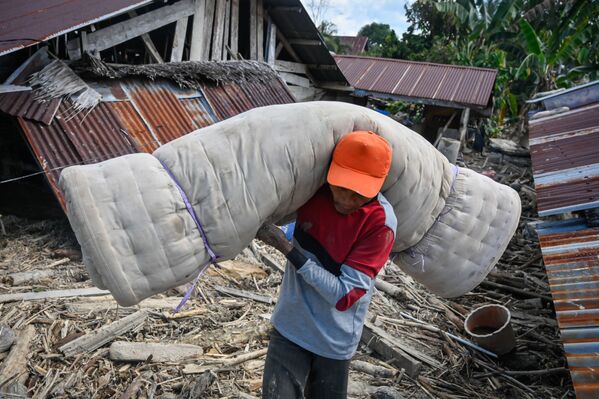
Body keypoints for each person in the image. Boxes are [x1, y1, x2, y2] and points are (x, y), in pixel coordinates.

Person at [257, 131, 397, 399]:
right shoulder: (311, 191)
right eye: (341, 187)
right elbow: (297, 229)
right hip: (290, 325)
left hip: (333, 339)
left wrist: (286, 249)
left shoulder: (379, 223)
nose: (346, 199)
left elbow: (344, 296)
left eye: (358, 194)